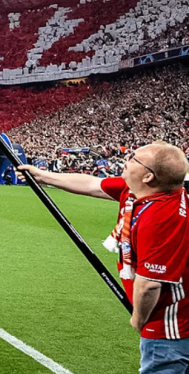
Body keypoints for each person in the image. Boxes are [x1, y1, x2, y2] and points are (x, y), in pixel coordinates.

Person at [18, 142, 189, 372]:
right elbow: (93, 184)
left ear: (148, 176)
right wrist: (43, 176)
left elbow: (149, 284)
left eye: (134, 159)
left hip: (170, 326)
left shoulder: (159, 219)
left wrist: (138, 320)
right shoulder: (143, 190)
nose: (126, 160)